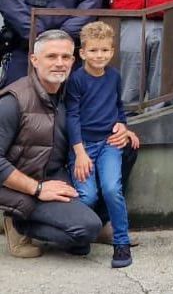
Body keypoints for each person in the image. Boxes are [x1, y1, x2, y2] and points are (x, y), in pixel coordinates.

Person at [0, 30, 102, 258]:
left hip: (55, 175)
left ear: (74, 61)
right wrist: (37, 189)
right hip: (19, 184)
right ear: (34, 60)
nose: (59, 63)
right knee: (85, 231)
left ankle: (97, 218)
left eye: (66, 57)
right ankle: (18, 223)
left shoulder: (71, 92)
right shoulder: (14, 100)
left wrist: (121, 128)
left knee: (123, 147)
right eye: (51, 57)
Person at [66, 22, 138, 268]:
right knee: (87, 194)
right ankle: (82, 236)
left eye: (105, 51)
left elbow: (118, 107)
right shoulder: (77, 80)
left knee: (111, 188)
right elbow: (72, 116)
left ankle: (121, 242)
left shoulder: (114, 76)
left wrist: (123, 126)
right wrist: (79, 152)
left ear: (112, 51)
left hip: (109, 143)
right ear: (82, 53)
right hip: (83, 145)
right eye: (94, 51)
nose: (100, 56)